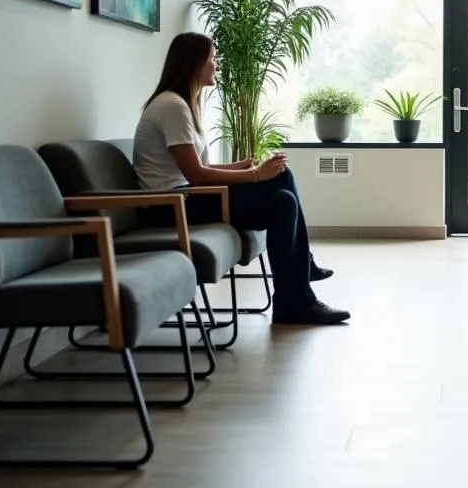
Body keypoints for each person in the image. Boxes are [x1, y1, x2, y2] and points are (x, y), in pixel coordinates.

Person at [133, 32, 350, 326]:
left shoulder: (182, 105)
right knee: (282, 176)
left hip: (186, 200)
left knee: (283, 202)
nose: (216, 64)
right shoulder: (172, 106)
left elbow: (199, 167)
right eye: (212, 58)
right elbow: (196, 176)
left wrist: (240, 166)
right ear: (194, 63)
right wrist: (255, 174)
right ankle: (303, 273)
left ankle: (292, 303)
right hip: (170, 207)